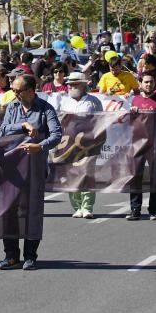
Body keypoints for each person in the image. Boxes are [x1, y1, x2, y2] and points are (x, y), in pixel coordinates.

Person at [0, 74, 62, 271]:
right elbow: (2, 131)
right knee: (10, 211)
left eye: (19, 90)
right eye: (14, 90)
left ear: (32, 90)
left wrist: (40, 146)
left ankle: (30, 256)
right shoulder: (13, 107)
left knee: (32, 211)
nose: (15, 94)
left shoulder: (45, 109)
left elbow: (56, 134)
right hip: (12, 169)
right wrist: (22, 125)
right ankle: (11, 256)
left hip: (34, 167)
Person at [59, 71, 103, 217]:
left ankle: (87, 207)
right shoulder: (65, 101)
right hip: (69, 144)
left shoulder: (93, 101)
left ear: (83, 85)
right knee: (72, 175)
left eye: (74, 84)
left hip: (88, 144)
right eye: (69, 84)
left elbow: (101, 122)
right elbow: (60, 123)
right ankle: (77, 206)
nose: (70, 87)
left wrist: (98, 141)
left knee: (87, 174)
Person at [127, 73, 156, 220]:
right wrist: (131, 114)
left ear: (155, 83)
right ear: (140, 83)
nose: (148, 84)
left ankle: (153, 211)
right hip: (138, 144)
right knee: (135, 176)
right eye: (145, 82)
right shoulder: (135, 100)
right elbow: (130, 124)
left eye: (151, 82)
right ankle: (135, 210)